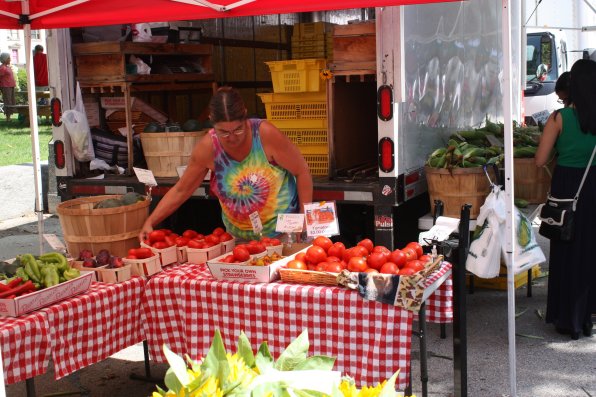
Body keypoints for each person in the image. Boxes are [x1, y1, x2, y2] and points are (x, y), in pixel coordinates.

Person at [139, 87, 313, 241]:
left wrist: (304, 216)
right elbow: (181, 190)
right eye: (223, 132)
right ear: (211, 122)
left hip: (284, 236)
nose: (232, 137)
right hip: (238, 240)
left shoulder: (265, 134)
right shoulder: (208, 147)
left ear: (245, 116)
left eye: (238, 129)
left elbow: (302, 171)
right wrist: (151, 221)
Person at [535, 59, 596, 340]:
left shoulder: (560, 118)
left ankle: (566, 318)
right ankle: (586, 317)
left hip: (567, 188)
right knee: (590, 251)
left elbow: (539, 160)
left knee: (566, 247)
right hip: (592, 185)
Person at [0, 52, 16, 121]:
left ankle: (9, 116)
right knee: (8, 102)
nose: (10, 59)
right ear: (4, 59)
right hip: (6, 87)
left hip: (11, 86)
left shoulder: (7, 67)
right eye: (8, 58)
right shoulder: (2, 68)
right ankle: (8, 118)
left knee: (11, 101)